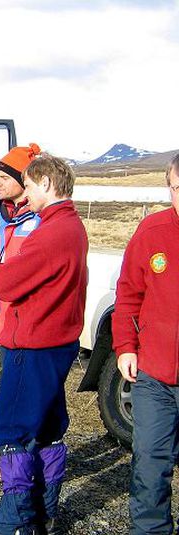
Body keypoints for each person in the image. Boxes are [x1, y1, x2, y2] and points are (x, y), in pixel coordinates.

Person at [0, 154, 88, 535]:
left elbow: (4, 281)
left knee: (12, 431)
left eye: (28, 185)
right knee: (47, 428)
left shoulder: (51, 232)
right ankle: (44, 512)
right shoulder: (72, 227)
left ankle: (15, 522)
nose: (25, 194)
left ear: (46, 183)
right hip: (57, 343)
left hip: (33, 345)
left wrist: (3, 266)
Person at [113, 153, 179, 534]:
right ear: (168, 187)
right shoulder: (152, 232)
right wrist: (125, 346)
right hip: (154, 376)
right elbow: (129, 295)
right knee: (151, 465)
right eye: (176, 188)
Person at [0, 144, 42, 348]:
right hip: (2, 326)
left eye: (4, 178)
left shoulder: (41, 223)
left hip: (29, 329)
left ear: (23, 181)